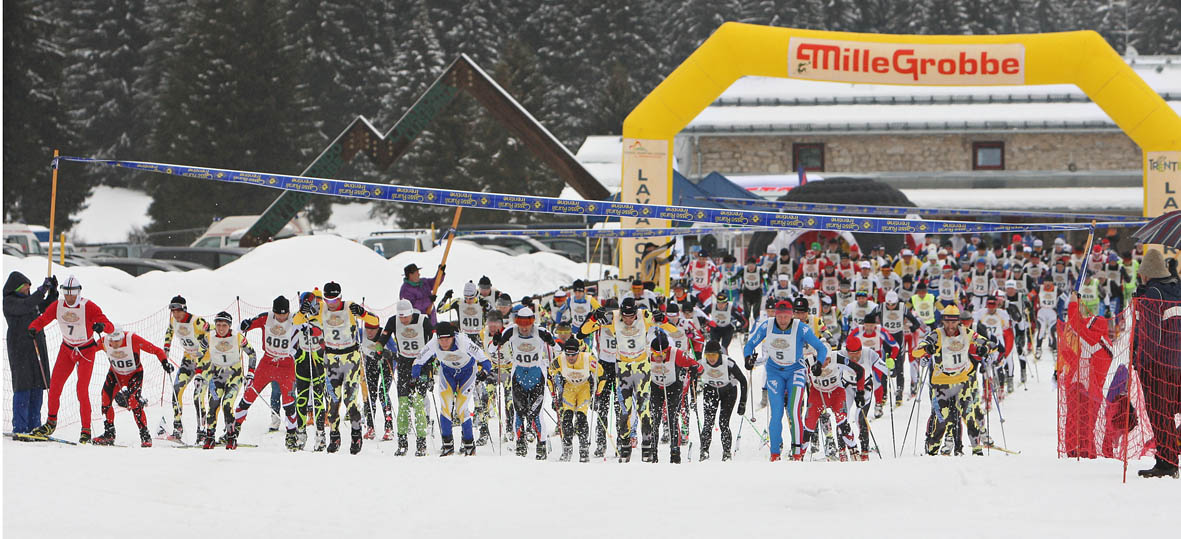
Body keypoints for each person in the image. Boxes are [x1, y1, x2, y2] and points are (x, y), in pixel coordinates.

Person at [27, 276, 113, 443]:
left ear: (79, 292)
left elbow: (107, 324)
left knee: (81, 390)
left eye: (73, 293)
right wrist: (34, 327)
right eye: (67, 293)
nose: (70, 297)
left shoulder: (88, 306)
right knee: (55, 387)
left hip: (86, 350)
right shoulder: (58, 306)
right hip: (66, 349)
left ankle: (86, 430)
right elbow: (43, 319)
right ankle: (51, 422)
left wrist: (102, 326)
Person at [743, 298, 831, 461]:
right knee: (776, 414)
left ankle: (797, 453)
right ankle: (775, 453)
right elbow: (749, 345)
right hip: (774, 371)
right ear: (775, 315)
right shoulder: (767, 325)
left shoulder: (801, 328)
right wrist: (748, 359)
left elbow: (820, 347)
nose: (783, 320)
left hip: (795, 371)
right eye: (779, 316)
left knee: (793, 411)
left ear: (791, 315)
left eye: (786, 316)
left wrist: (819, 364)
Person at [912, 305, 992, 456]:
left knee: (969, 416)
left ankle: (977, 451)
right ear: (943, 321)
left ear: (958, 321)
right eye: (947, 322)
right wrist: (927, 348)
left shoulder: (966, 333)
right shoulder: (937, 334)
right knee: (942, 420)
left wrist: (985, 349)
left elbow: (987, 343)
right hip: (941, 384)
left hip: (962, 382)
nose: (950, 325)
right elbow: (916, 350)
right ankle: (932, 451)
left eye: (953, 322)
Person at [1130, 248, 1181, 478]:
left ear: (1146, 274)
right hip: (1178, 361)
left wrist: (1141, 362)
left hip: (1161, 365)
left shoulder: (1153, 293)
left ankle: (1167, 462)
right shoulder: (1177, 288)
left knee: (1161, 413)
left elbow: (1152, 334)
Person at [232, 296, 301, 451]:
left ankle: (291, 435)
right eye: (278, 314)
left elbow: (310, 323)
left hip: (286, 365)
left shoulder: (295, 319)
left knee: (289, 402)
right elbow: (244, 326)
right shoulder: (266, 318)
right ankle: (233, 429)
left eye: (284, 314)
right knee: (249, 395)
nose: (281, 318)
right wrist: (245, 325)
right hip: (267, 362)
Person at [413, 321, 492, 456]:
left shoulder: (462, 341)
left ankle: (469, 444)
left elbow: (483, 358)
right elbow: (419, 360)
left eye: (447, 339)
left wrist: (485, 371)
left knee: (461, 409)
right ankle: (447, 444)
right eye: (441, 339)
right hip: (448, 373)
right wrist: (414, 377)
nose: (444, 343)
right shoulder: (433, 342)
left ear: (453, 337)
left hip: (467, 373)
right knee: (445, 407)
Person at [319, 281, 378, 454]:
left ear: (341, 297)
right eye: (328, 300)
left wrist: (363, 313)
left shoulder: (349, 306)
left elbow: (374, 321)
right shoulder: (321, 308)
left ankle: (356, 435)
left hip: (351, 359)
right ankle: (334, 437)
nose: (331, 304)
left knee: (350, 401)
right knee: (333, 401)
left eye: (334, 300)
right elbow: (299, 319)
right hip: (331, 360)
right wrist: (305, 309)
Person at [494, 306, 557, 459]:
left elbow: (557, 347)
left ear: (532, 322)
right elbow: (494, 346)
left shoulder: (540, 332)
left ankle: (541, 446)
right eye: (520, 324)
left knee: (536, 414)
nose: (524, 328)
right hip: (519, 377)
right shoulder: (511, 331)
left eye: (527, 324)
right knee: (519, 413)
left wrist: (552, 341)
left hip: (536, 377)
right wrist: (496, 340)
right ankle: (520, 444)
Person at [93, 326, 171, 447]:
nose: (114, 344)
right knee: (105, 399)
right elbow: (88, 349)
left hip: (134, 374)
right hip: (116, 374)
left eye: (117, 341)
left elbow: (156, 350)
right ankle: (109, 433)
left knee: (133, 402)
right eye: (112, 341)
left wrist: (164, 362)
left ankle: (145, 435)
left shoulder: (132, 339)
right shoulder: (104, 341)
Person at [377, 299, 434, 456]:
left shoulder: (423, 320)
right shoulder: (393, 321)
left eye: (406, 317)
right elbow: (384, 337)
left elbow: (435, 337)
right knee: (402, 404)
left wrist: (434, 357)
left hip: (421, 364)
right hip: (403, 364)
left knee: (418, 403)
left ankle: (421, 444)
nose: (404, 320)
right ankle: (402, 444)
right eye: (401, 317)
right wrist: (379, 347)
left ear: (411, 313)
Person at [4, 272, 55, 434]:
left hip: (36, 347)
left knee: (37, 385)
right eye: (26, 287)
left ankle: (34, 425)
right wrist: (41, 291)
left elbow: (44, 306)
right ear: (18, 288)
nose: (28, 290)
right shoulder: (10, 302)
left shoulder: (30, 301)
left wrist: (52, 292)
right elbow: (26, 305)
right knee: (23, 387)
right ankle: (20, 427)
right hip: (20, 349)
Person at [202, 311, 256, 449]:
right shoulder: (209, 337)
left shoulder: (238, 337)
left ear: (230, 326)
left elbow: (252, 354)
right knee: (213, 405)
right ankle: (210, 436)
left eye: (224, 325)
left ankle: (231, 436)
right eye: (218, 325)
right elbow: (199, 354)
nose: (220, 328)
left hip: (234, 377)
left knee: (227, 405)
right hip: (216, 377)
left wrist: (250, 373)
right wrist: (199, 372)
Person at [647, 332, 702, 463]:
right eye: (656, 355)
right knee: (654, 419)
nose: (659, 358)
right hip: (656, 387)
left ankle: (675, 452)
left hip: (673, 386)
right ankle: (653, 453)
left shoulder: (676, 353)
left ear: (668, 350)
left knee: (672, 418)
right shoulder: (647, 354)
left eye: (662, 355)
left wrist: (694, 369)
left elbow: (698, 366)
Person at [162, 295, 211, 442]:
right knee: (176, 391)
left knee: (198, 396)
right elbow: (170, 331)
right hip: (188, 360)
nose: (175, 314)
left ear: (184, 310)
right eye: (173, 311)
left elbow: (213, 331)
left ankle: (202, 432)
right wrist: (166, 348)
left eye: (178, 311)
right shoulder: (173, 320)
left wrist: (204, 343)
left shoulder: (196, 321)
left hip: (204, 361)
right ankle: (178, 430)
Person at [804, 347, 865, 461]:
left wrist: (860, 392)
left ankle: (854, 451)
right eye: (821, 360)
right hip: (818, 394)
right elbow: (794, 375)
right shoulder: (808, 361)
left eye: (827, 359)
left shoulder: (837, 357)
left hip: (836, 393)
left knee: (842, 422)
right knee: (808, 426)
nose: (825, 363)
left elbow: (860, 370)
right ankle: (798, 455)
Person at [550, 337, 604, 462]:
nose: (570, 358)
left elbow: (602, 375)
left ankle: (584, 450)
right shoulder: (560, 360)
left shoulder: (587, 358)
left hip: (584, 388)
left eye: (573, 355)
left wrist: (598, 394)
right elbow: (550, 374)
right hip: (569, 388)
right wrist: (552, 391)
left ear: (578, 352)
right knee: (567, 417)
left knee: (581, 418)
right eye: (568, 354)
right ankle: (567, 449)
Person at [697, 339, 748, 461]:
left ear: (719, 354)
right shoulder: (702, 363)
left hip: (728, 392)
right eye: (708, 355)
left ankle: (726, 453)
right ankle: (704, 451)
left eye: (713, 355)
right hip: (711, 391)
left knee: (723, 423)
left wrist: (743, 402)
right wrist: (692, 394)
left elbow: (743, 381)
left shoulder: (728, 363)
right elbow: (692, 376)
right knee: (708, 423)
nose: (711, 358)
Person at [292, 290, 327, 450]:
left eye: (310, 304)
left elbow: (325, 333)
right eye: (304, 304)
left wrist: (315, 331)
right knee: (302, 398)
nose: (309, 307)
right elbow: (294, 325)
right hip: (303, 360)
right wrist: (302, 313)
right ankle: (300, 434)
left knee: (319, 397)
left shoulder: (323, 313)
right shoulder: (299, 316)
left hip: (318, 359)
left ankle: (320, 435)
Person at [361, 318, 395, 441]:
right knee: (370, 395)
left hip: (386, 364)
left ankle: (389, 428)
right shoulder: (361, 333)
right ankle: (370, 428)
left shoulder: (384, 335)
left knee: (383, 393)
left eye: (373, 330)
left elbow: (395, 351)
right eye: (368, 329)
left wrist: (388, 353)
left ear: (378, 328)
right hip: (371, 363)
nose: (370, 332)